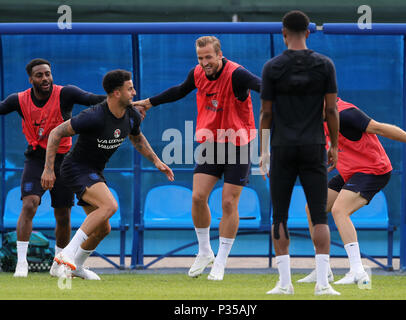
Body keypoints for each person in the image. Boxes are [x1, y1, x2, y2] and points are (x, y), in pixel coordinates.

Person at [133, 35, 261, 281]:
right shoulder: (198, 73)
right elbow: (179, 91)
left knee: (228, 204)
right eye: (200, 58)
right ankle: (204, 251)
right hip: (210, 143)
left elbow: (263, 86)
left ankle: (221, 262)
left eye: (209, 57)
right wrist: (149, 102)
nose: (205, 62)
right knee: (198, 196)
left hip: (238, 145)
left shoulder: (237, 75)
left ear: (219, 55)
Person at [41, 69, 174, 278]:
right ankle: (67, 252)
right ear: (116, 93)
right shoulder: (93, 116)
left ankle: (76, 267)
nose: (134, 92)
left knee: (103, 229)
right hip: (75, 168)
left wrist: (157, 160)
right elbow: (56, 133)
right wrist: (48, 169)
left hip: (94, 171)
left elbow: (137, 138)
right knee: (110, 205)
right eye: (129, 89)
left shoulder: (131, 115)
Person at [0, 58, 107, 278]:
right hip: (36, 158)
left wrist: (121, 101)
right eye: (39, 75)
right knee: (30, 203)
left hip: (64, 160)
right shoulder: (19, 100)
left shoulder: (65, 93)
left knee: (63, 214)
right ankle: (22, 263)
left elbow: (91, 99)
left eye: (48, 73)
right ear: (31, 79)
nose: (45, 78)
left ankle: (58, 264)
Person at [297, 97, 406, 285]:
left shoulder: (347, 114)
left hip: (373, 170)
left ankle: (358, 271)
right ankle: (323, 269)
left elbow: (380, 128)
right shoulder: (317, 117)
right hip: (351, 171)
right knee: (312, 209)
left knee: (340, 211)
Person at [259, 10, 340, 296]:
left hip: (281, 148)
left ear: (283, 33)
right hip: (314, 145)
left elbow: (266, 113)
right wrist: (335, 145)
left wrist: (263, 150)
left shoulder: (272, 67)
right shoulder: (324, 65)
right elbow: (331, 109)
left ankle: (284, 284)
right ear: (308, 32)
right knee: (319, 215)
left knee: (278, 215)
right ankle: (323, 284)